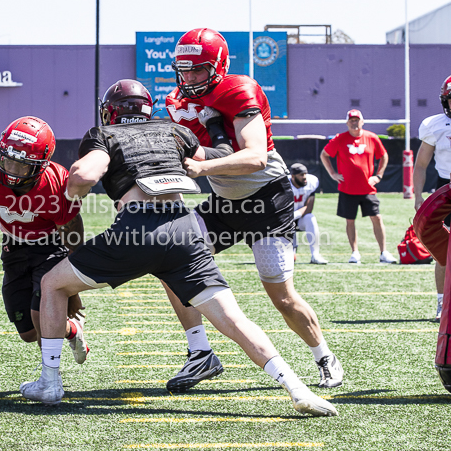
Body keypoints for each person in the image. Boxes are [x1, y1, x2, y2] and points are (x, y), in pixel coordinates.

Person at [19, 79, 338, 417]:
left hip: (137, 231)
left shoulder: (105, 135)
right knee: (233, 318)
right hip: (185, 229)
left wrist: (72, 194)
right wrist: (215, 127)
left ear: (108, 111)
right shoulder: (172, 131)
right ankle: (297, 388)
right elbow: (222, 155)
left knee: (52, 283)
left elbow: (84, 174)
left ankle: (49, 382)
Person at [163, 28, 343, 392]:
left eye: (198, 70)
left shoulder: (237, 88)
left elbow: (255, 156)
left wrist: (200, 168)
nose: (190, 78)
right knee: (171, 258)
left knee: (282, 296)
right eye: (184, 70)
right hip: (224, 203)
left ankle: (324, 356)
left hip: (266, 200)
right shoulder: (176, 101)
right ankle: (200, 352)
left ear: (218, 66)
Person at [0, 116, 89, 363]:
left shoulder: (57, 185)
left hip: (50, 245)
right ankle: (71, 330)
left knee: (41, 318)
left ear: (41, 165)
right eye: (7, 161)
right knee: (28, 333)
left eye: (23, 166)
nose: (12, 172)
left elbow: (71, 227)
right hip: (13, 246)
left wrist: (73, 285)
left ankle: (50, 378)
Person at [320, 109, 397, 265]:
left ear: (362, 121)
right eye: (351, 120)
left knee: (376, 217)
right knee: (350, 220)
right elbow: (324, 154)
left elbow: (384, 155)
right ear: (347, 123)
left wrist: (378, 176)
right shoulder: (340, 139)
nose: (354, 123)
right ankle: (354, 253)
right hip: (347, 188)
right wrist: (332, 174)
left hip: (367, 189)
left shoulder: (372, 137)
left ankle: (383, 252)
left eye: (357, 120)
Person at [414, 75, 451, 322]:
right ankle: (442, 303)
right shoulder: (435, 125)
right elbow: (421, 164)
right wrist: (417, 195)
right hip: (445, 190)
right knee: (444, 251)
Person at [289, 163, 327, 265]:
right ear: (293, 176)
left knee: (310, 217)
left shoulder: (311, 182)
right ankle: (290, 252)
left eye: (305, 174)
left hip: (301, 217)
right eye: (301, 175)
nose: (304, 177)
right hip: (285, 219)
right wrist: (289, 217)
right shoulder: (284, 185)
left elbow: (309, 207)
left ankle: (315, 255)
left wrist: (295, 215)